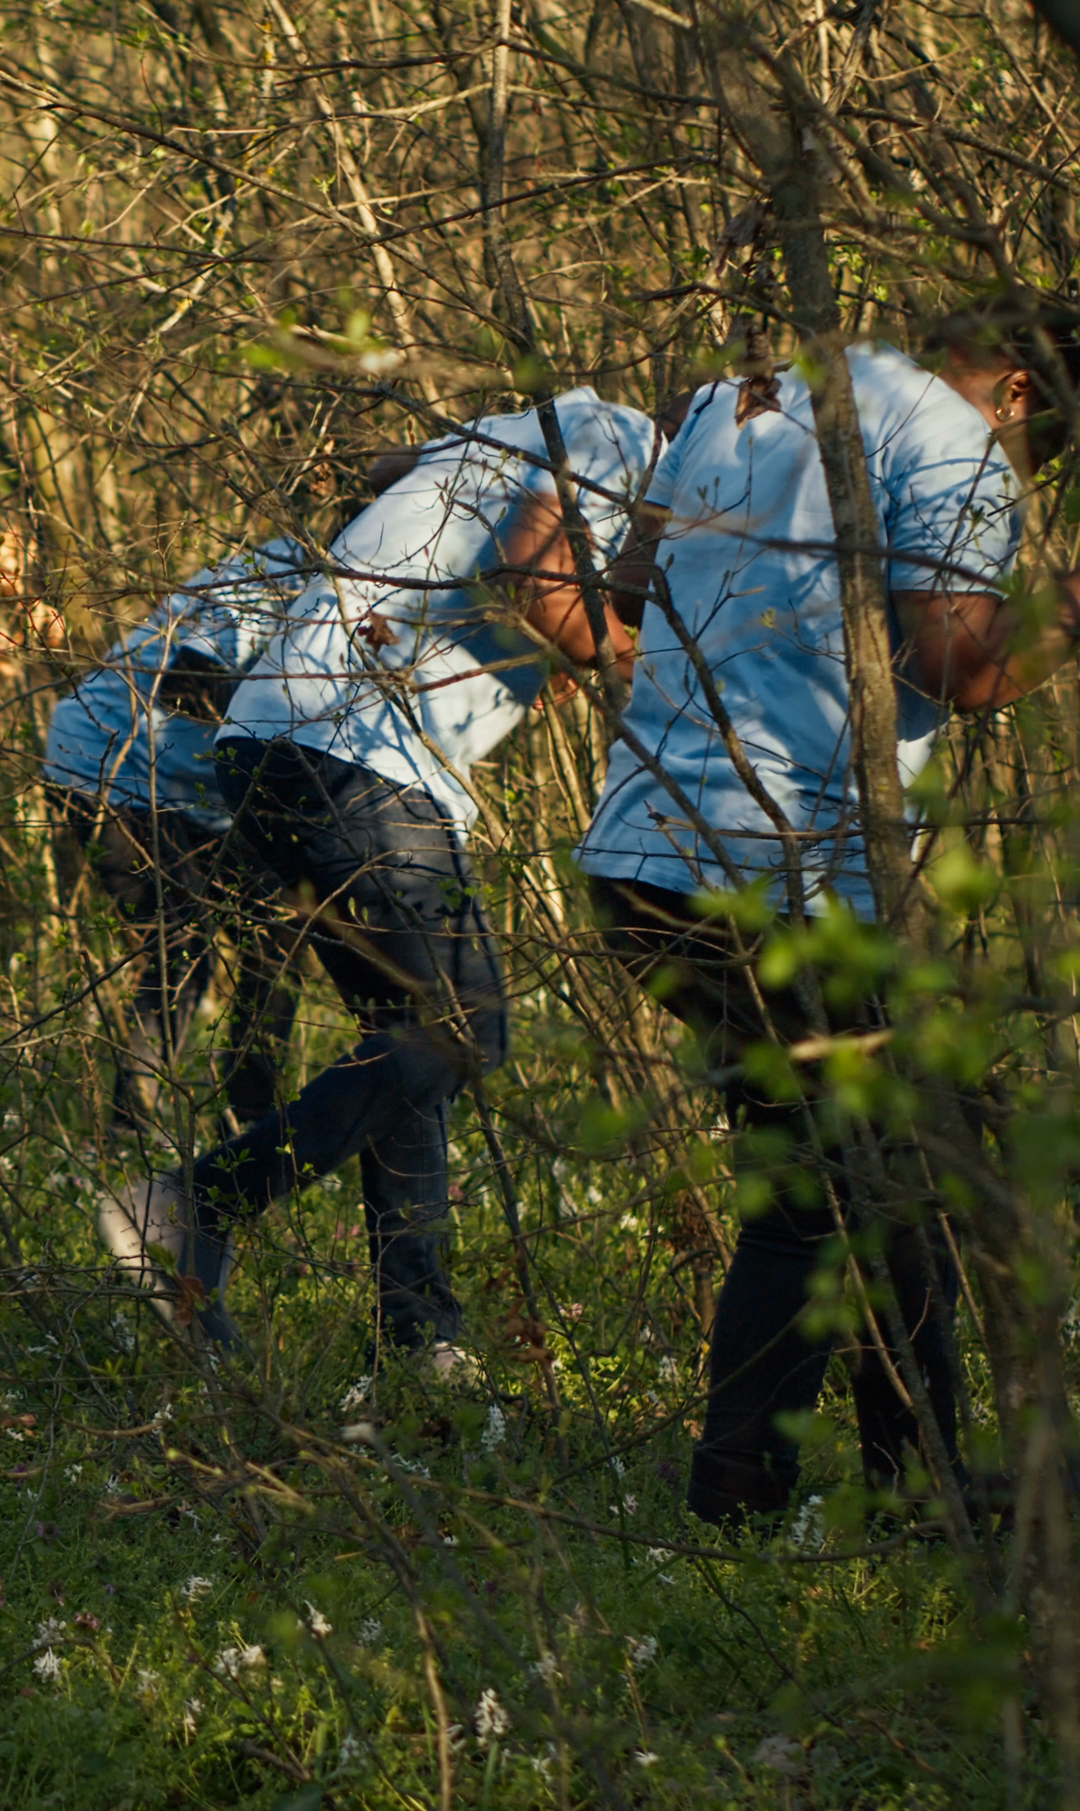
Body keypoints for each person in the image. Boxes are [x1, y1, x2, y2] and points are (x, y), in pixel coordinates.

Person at [578, 305, 1080, 1524]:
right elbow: (961, 666)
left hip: (645, 854)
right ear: (1018, 391)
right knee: (838, 1185)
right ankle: (754, 1503)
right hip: (780, 864)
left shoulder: (745, 394)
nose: (1027, 474)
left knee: (875, 1169)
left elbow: (628, 582)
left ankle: (918, 1482)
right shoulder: (955, 439)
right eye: (1042, 450)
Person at [100, 386, 662, 1363]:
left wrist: (525, 624)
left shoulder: (509, 438)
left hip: (271, 745)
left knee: (405, 1044)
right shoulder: (623, 437)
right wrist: (625, 657)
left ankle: (418, 1337)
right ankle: (194, 1204)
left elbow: (389, 475)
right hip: (358, 754)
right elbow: (538, 581)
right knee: (464, 1029)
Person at [47, 543, 309, 1142]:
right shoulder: (272, 578)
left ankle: (248, 1125)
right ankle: (130, 1128)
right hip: (109, 767)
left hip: (196, 793)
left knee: (281, 933)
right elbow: (188, 685)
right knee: (183, 939)